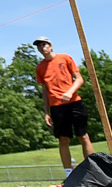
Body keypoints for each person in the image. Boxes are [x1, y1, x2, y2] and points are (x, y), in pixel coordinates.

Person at [33, 36, 94, 178]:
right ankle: (68, 173)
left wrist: (70, 92)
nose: (42, 48)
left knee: (83, 135)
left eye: (44, 44)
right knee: (63, 139)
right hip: (56, 107)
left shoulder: (65, 58)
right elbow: (45, 91)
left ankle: (91, 168)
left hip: (74, 102)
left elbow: (79, 79)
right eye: (39, 46)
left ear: (51, 46)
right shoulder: (40, 67)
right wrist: (46, 112)